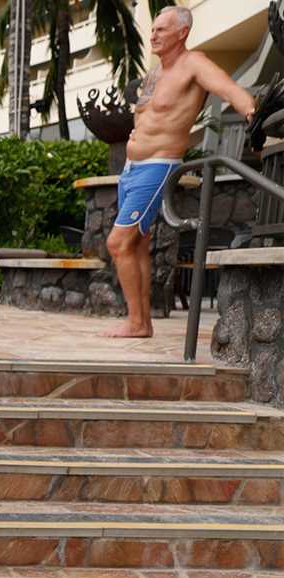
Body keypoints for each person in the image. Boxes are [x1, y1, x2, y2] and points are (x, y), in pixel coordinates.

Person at [106, 7, 255, 340]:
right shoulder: (155, 73)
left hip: (158, 165)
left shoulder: (195, 64)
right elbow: (145, 116)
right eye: (153, 29)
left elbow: (229, 89)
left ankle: (135, 322)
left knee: (117, 243)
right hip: (132, 168)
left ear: (181, 32)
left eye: (161, 30)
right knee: (137, 244)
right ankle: (141, 323)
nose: (153, 35)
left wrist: (251, 112)